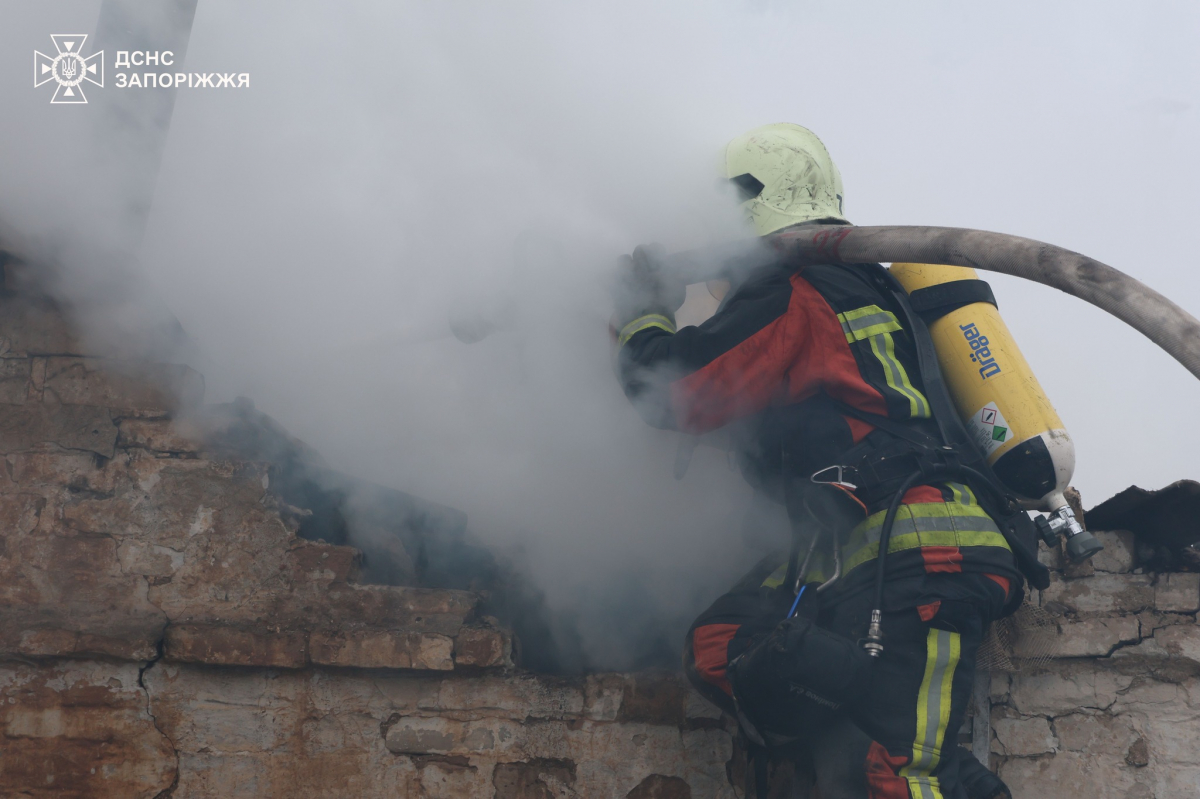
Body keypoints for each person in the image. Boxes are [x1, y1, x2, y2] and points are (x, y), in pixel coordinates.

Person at [611, 123, 1026, 799]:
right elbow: (758, 413)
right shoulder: (873, 288)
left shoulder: (794, 290)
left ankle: (893, 743)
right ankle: (865, 729)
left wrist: (641, 315)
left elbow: (676, 390)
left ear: (746, 201)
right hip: (858, 556)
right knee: (722, 641)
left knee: (909, 775)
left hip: (921, 551)